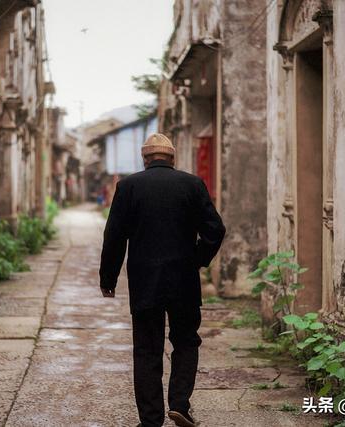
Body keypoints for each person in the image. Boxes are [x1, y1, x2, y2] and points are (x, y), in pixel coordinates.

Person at [99, 133, 226, 427]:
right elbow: (215, 229)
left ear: (145, 159)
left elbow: (114, 237)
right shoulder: (192, 185)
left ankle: (151, 419)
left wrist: (109, 277)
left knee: (147, 348)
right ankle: (180, 404)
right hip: (183, 279)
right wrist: (197, 259)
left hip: (145, 281)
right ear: (173, 159)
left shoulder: (129, 186)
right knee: (186, 341)